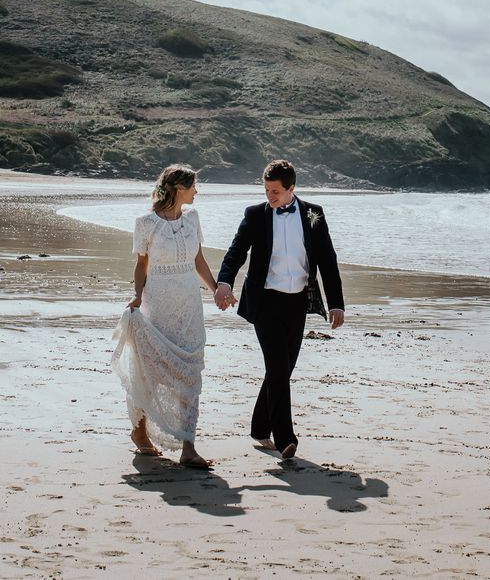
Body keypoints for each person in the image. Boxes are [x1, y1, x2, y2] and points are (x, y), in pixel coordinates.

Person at [214, 159, 345, 460]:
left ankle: (259, 427)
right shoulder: (255, 215)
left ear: (291, 189)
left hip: (297, 301)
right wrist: (224, 283)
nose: (270, 196)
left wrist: (336, 303)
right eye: (266, 190)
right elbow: (235, 252)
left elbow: (327, 259)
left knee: (283, 369)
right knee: (277, 367)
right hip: (265, 301)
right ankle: (285, 437)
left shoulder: (314, 214)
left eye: (275, 191)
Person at [112, 164, 219, 468]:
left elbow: (198, 258)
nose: (197, 192)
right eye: (194, 187)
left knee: (190, 371)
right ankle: (139, 432)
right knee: (150, 370)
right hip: (157, 303)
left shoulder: (192, 219)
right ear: (179, 189)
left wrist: (214, 288)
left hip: (189, 304)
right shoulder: (145, 223)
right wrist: (137, 294)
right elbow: (141, 265)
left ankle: (188, 447)